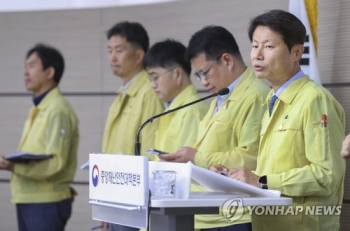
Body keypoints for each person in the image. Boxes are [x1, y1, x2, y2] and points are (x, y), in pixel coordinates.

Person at [211, 9, 346, 231]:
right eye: (255, 45)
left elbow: (326, 174)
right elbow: (275, 165)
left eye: (269, 46)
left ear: (296, 53)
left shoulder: (314, 100)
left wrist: (262, 181)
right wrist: (230, 175)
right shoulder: (272, 99)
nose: (257, 55)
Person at [159, 26, 270, 231]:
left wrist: (197, 157)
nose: (203, 82)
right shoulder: (220, 97)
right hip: (212, 211)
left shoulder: (256, 95)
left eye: (205, 72)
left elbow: (252, 158)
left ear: (227, 60)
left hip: (236, 215)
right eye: (198, 75)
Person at [0, 44, 79, 231]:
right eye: (25, 66)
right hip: (32, 199)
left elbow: (56, 162)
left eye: (32, 65)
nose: (25, 72)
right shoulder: (40, 108)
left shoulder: (57, 109)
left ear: (49, 72)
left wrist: (13, 166)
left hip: (45, 202)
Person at [101, 21, 164, 231]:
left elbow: (150, 152)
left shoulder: (150, 91)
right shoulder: (123, 92)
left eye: (119, 50)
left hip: (134, 202)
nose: (112, 57)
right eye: (110, 50)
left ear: (139, 56)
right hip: (116, 198)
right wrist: (103, 201)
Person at [143, 39, 208, 153]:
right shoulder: (173, 107)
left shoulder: (192, 111)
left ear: (177, 74)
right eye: (150, 79)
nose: (152, 85)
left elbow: (189, 165)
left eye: (155, 77)